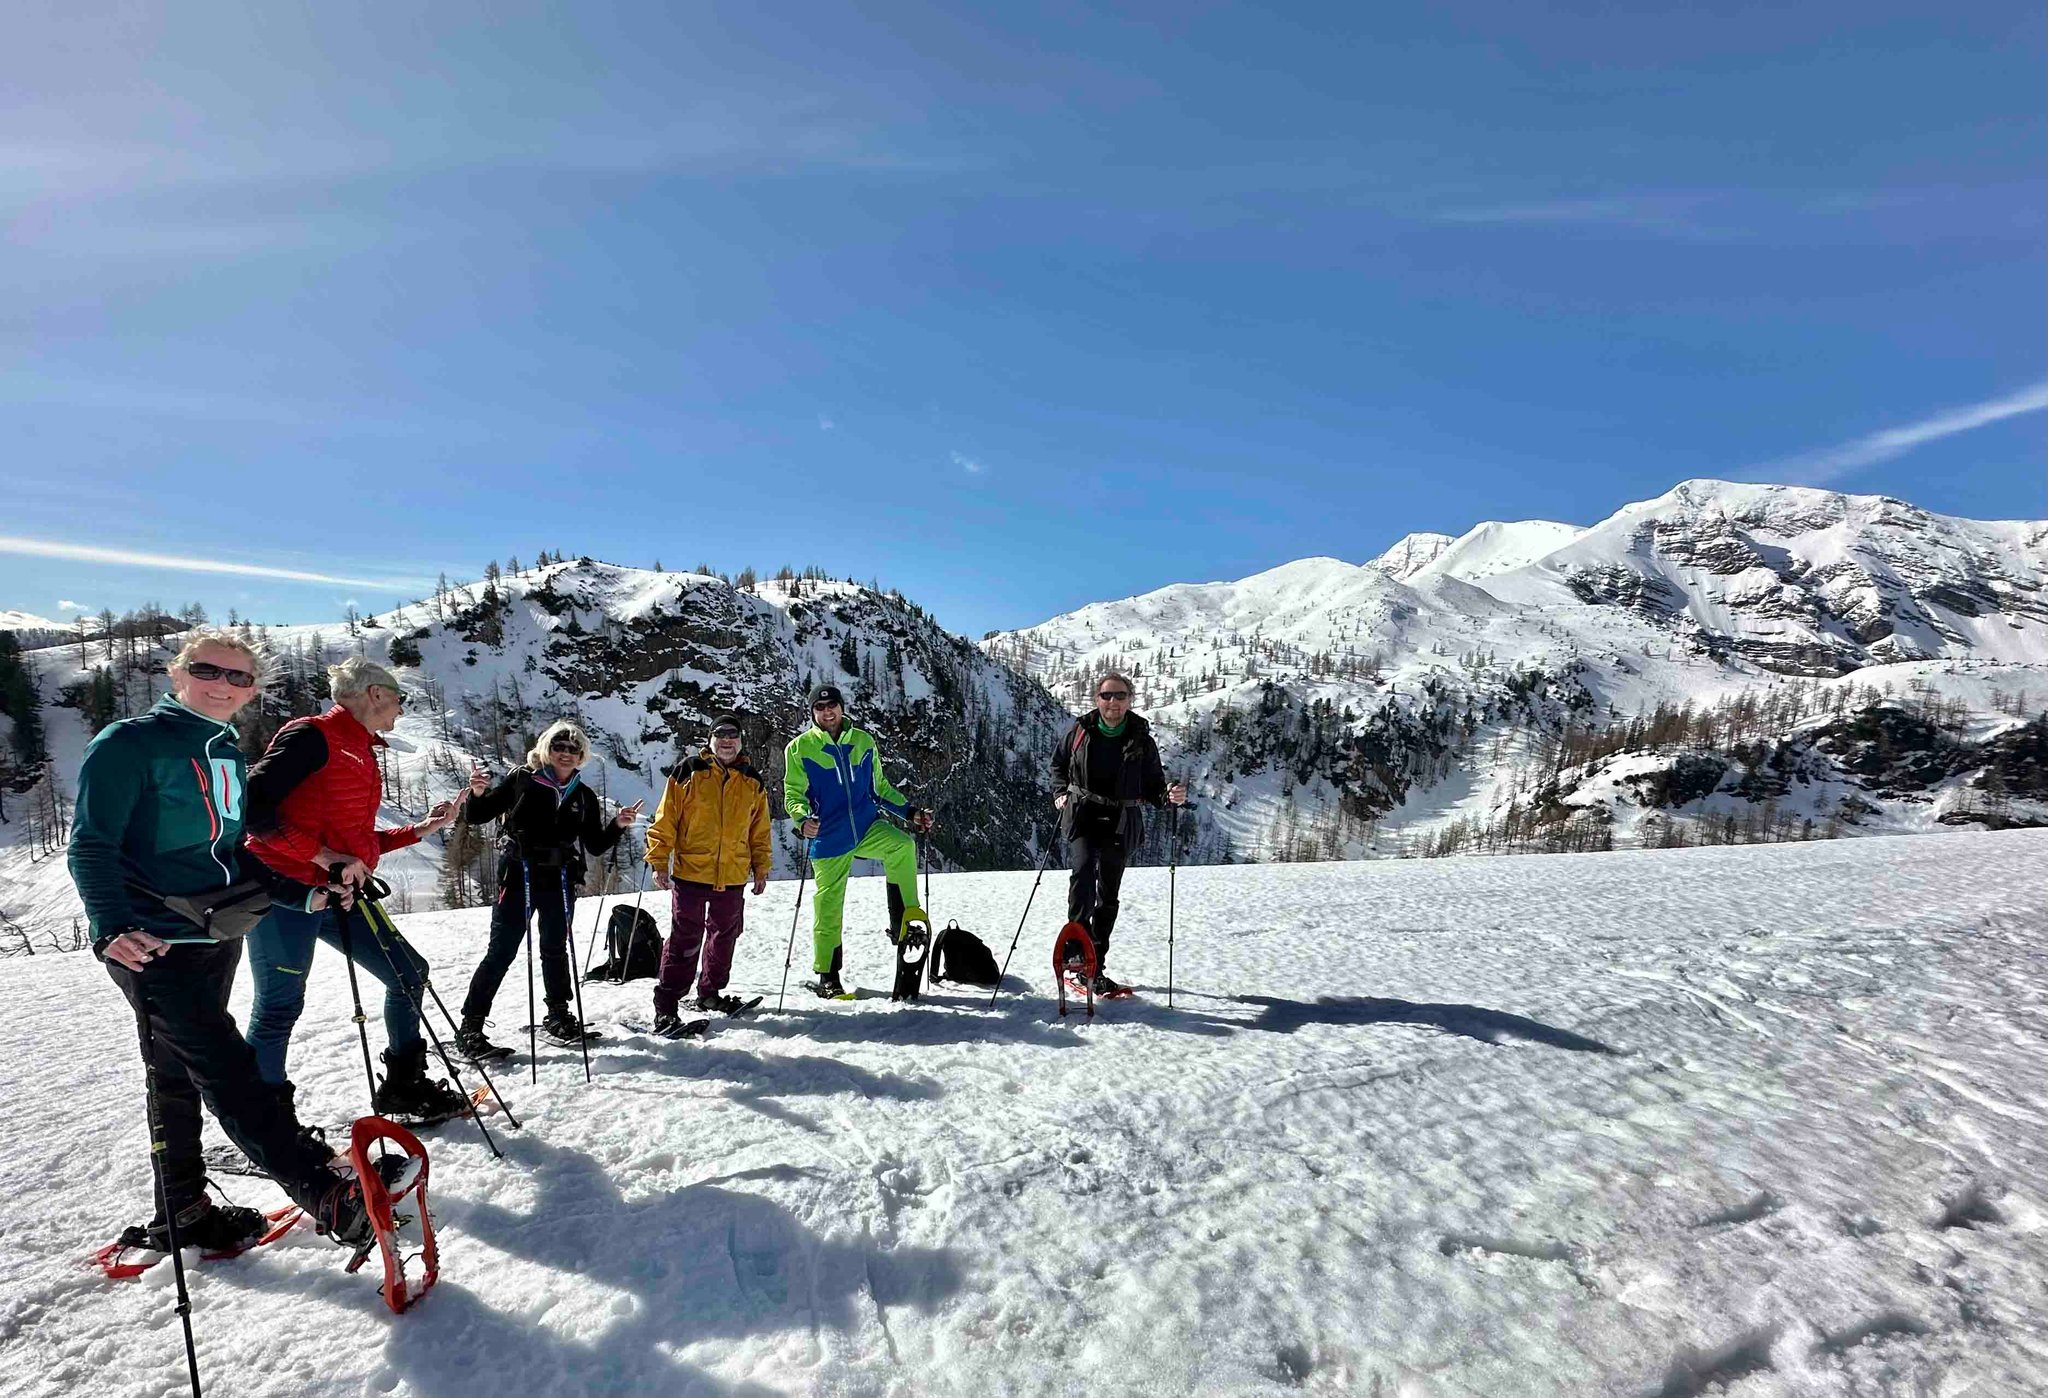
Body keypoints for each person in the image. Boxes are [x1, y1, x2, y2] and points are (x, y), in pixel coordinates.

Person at [70, 630, 397, 1255]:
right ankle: (321, 1191)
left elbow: (230, 854)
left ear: (252, 691)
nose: (222, 684)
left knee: (176, 1073)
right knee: (228, 1069)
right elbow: (91, 844)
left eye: (238, 677)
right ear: (178, 674)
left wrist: (303, 895)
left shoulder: (222, 749)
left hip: (215, 933)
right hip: (151, 942)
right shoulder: (130, 743)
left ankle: (183, 1210)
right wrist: (111, 925)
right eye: (207, 670)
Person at [241, 657, 468, 1121]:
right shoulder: (311, 736)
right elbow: (252, 810)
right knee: (279, 1007)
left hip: (340, 892)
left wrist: (421, 829)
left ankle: (404, 1087)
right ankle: (263, 1126)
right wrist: (323, 857)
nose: (401, 709)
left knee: (409, 973)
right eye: (400, 699)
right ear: (375, 693)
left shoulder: (361, 749)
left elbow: (354, 845)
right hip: (284, 892)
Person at [452, 719, 641, 1055]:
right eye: (558, 746)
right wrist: (478, 794)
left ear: (581, 755)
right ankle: (471, 1026)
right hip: (518, 875)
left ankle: (558, 1015)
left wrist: (617, 824)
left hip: (559, 878)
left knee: (555, 948)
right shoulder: (521, 779)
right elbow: (479, 816)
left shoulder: (583, 795)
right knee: (502, 951)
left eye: (573, 749)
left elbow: (595, 845)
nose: (565, 753)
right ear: (546, 749)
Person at [782, 684, 934, 997]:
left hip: (866, 826)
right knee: (828, 906)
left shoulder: (863, 741)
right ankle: (828, 975)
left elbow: (879, 788)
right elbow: (793, 794)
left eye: (832, 706)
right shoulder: (799, 749)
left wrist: (911, 812)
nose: (827, 712)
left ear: (841, 707)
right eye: (820, 708)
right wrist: (802, 819)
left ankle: (905, 923)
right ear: (812, 713)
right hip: (829, 835)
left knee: (902, 845)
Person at [1051, 671, 1187, 996]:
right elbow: (1058, 765)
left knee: (1108, 894)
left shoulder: (1141, 740)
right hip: (1082, 814)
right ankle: (1077, 951)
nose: (1113, 702)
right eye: (1107, 695)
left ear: (1130, 700)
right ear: (1096, 699)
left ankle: (1094, 965)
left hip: (1120, 820)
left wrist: (1168, 795)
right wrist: (1060, 793)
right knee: (1082, 874)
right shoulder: (1079, 731)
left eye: (1120, 695)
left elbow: (1153, 785)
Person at [642, 712, 772, 1035]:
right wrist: (659, 861)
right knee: (685, 938)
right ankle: (666, 1007)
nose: (727, 741)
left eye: (733, 735)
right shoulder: (689, 772)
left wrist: (761, 868)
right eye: (720, 735)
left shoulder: (752, 781)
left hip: (732, 875)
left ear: (740, 741)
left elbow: (759, 831)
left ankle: (709, 993)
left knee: (725, 936)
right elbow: (666, 819)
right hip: (692, 873)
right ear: (710, 740)